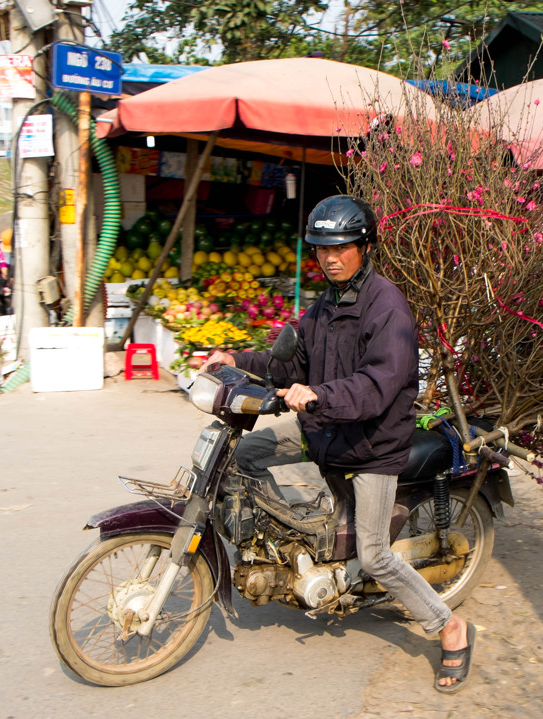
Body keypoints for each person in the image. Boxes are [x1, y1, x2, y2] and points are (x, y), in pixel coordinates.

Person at [200, 195, 475, 693]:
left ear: (364, 246)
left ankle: (448, 626)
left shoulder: (387, 306)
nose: (330, 257)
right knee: (245, 455)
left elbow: (376, 385)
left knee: (375, 556)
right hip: (326, 428)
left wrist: (318, 396)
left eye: (342, 247)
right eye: (322, 248)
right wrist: (235, 358)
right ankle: (295, 546)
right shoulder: (324, 304)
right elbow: (289, 363)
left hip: (372, 442)